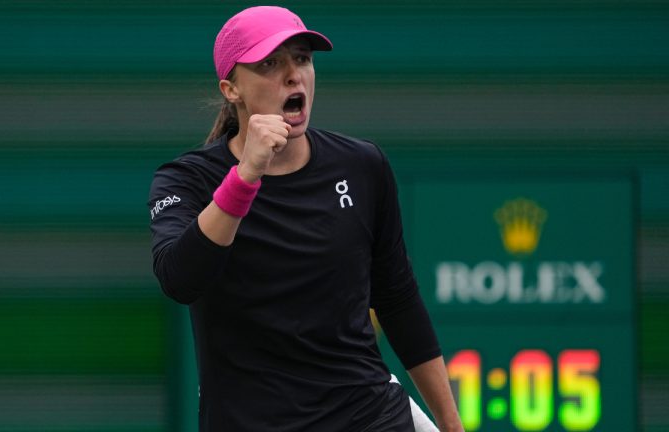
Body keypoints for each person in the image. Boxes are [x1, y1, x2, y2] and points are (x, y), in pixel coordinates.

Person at [148, 5, 464, 432]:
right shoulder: (188, 179)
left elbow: (397, 299)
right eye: (270, 64)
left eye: (302, 58)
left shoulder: (363, 165)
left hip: (369, 417)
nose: (294, 74)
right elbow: (179, 278)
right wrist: (245, 177)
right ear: (231, 89)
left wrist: (450, 423)